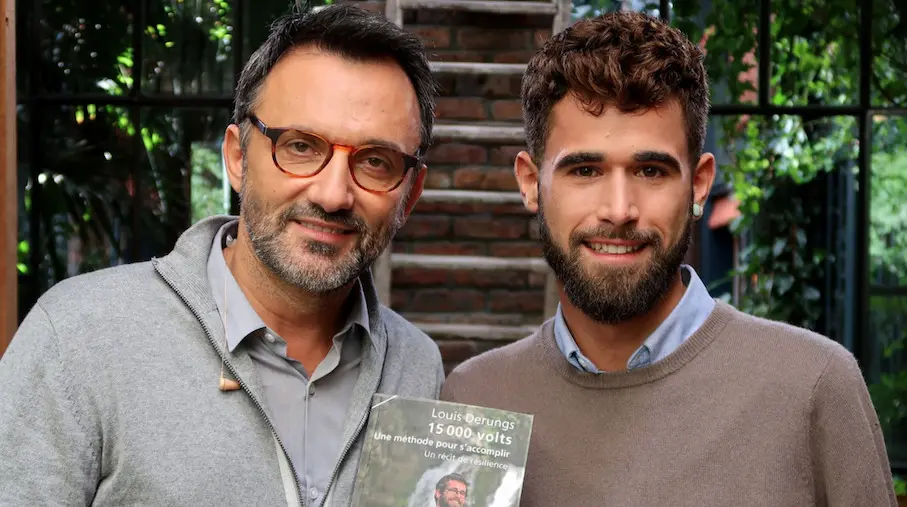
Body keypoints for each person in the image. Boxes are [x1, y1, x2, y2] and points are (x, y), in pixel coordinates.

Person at [440, 10, 897, 506]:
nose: (619, 210)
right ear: (531, 183)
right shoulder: (474, 401)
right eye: (585, 170)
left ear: (698, 184)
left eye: (652, 171)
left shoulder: (813, 385)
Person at [0, 3, 444, 506]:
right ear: (236, 157)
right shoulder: (77, 338)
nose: (333, 194)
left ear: (409, 192)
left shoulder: (415, 366)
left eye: (376, 162)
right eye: (300, 146)